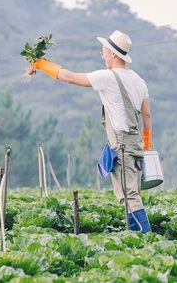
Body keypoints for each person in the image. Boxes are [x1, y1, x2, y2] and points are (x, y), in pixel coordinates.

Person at [31, 30, 152, 233]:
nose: (102, 54)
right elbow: (146, 116)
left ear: (114, 54)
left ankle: (146, 240)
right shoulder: (139, 81)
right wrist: (146, 145)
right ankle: (141, 239)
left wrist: (40, 64)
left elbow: (69, 77)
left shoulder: (107, 77)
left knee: (128, 196)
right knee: (132, 193)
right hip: (135, 145)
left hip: (121, 146)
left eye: (104, 51)